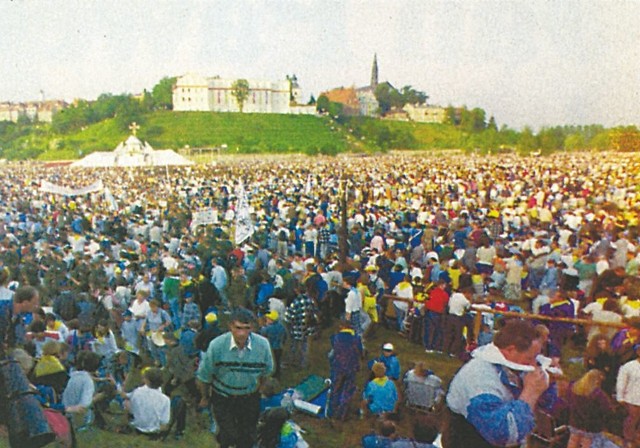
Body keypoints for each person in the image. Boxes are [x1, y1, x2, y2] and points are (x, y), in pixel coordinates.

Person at [443, 319, 550, 447]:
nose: (533, 364)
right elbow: (502, 434)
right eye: (529, 358)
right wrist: (530, 392)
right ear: (510, 350)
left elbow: (547, 405)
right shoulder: (480, 379)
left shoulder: (513, 368)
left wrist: (548, 383)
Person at [196, 307, 274, 448]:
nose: (242, 333)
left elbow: (266, 372)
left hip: (249, 397)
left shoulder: (263, 345)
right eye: (238, 328)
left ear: (253, 328)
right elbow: (204, 376)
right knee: (229, 435)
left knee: (247, 436)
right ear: (230, 326)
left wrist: (260, 390)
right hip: (223, 397)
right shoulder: (217, 346)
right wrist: (205, 397)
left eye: (246, 328)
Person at [118, 366, 187, 440]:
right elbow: (165, 421)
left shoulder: (137, 392)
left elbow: (128, 401)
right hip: (155, 431)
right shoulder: (165, 399)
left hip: (137, 427)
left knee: (127, 402)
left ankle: (125, 426)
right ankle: (179, 432)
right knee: (179, 401)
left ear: (147, 381)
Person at [566, 369, 615, 448]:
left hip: (574, 422)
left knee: (573, 441)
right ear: (597, 381)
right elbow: (607, 410)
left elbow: (568, 401)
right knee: (587, 443)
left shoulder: (574, 387)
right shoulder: (598, 394)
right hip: (591, 426)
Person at [328, 319, 363, 420]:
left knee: (335, 389)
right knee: (347, 390)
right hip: (351, 367)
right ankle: (342, 414)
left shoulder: (335, 337)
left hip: (338, 367)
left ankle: (332, 412)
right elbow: (361, 352)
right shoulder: (356, 338)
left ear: (341, 326)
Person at [616, 343, 640, 447]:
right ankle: (628, 440)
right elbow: (621, 382)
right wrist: (620, 397)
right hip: (632, 399)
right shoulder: (629, 366)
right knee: (632, 419)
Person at [259, 310, 287, 378]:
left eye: (268, 319)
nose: (266, 320)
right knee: (277, 362)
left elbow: (262, 336)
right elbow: (285, 336)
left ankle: (270, 376)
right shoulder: (282, 327)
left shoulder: (267, 329)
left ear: (271, 320)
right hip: (279, 348)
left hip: (270, 348)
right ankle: (278, 376)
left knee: (270, 363)